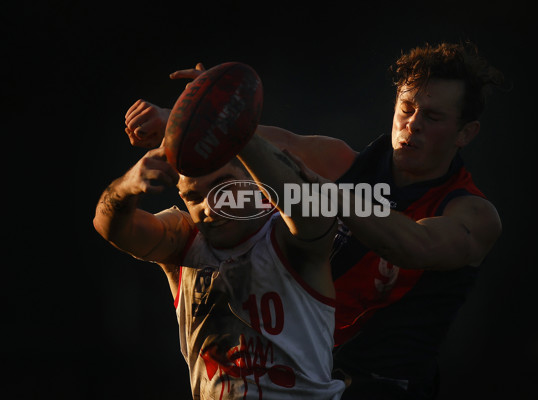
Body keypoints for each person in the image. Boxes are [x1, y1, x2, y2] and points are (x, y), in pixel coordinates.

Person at [125, 41, 504, 399]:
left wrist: (329, 194)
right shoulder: (338, 160)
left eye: (433, 116)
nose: (413, 124)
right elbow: (253, 140)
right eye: (406, 108)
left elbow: (412, 246)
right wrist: (181, 121)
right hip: (304, 380)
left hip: (386, 386)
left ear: (466, 133)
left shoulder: (472, 213)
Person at [93, 129, 347, 398]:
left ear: (255, 181)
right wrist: (126, 186)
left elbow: (310, 211)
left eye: (223, 187)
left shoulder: (292, 235)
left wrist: (235, 128)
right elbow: (110, 228)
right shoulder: (184, 241)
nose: (211, 206)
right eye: (194, 197)